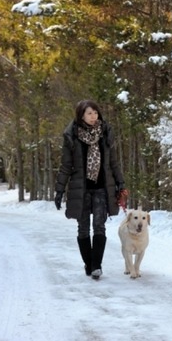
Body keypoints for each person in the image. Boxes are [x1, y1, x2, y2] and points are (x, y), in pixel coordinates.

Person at [54, 99, 128, 280]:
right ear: (81, 115)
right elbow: (66, 166)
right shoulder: (71, 136)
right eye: (89, 113)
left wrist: (121, 183)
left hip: (102, 188)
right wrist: (59, 190)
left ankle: (97, 265)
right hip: (81, 189)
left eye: (95, 112)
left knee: (99, 226)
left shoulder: (105, 133)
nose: (93, 116)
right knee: (83, 228)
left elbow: (113, 162)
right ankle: (88, 263)